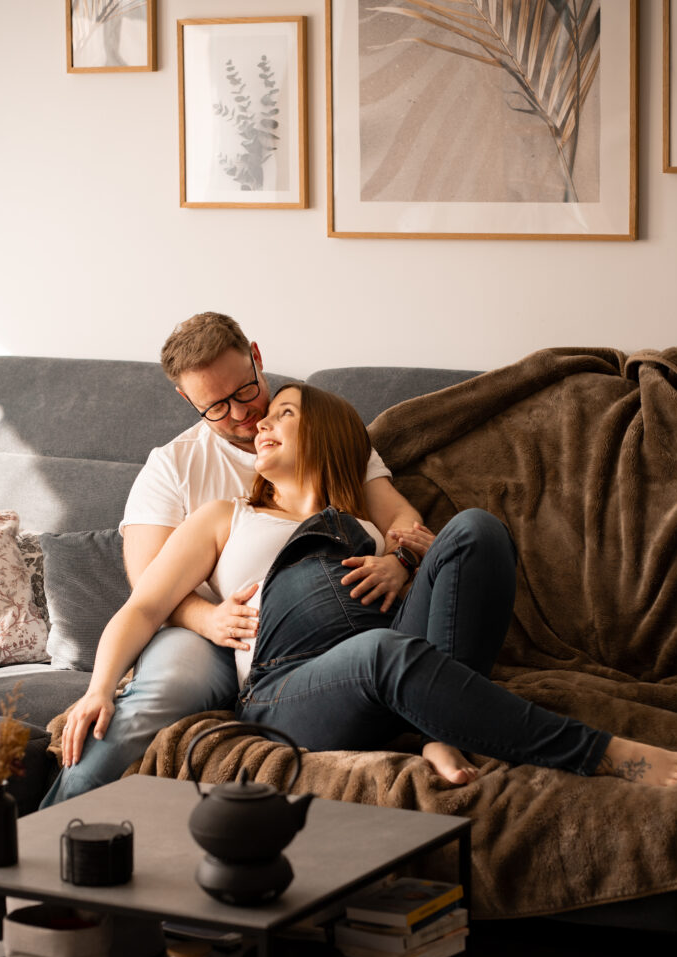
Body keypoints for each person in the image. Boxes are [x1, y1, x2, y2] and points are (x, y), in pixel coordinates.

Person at [43, 384, 677, 806]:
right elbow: (143, 607)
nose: (258, 426)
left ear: (325, 435)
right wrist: (101, 687)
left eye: (282, 414)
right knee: (383, 652)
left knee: (476, 530)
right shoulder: (224, 516)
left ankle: (427, 729)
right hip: (289, 689)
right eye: (260, 419)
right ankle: (601, 752)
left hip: (389, 658)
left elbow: (439, 557)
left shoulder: (365, 517)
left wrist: (398, 559)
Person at [55, 312, 427, 795]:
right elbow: (146, 586)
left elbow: (402, 521)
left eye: (245, 391)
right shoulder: (173, 466)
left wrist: (400, 563)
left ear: (256, 357)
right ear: (187, 400)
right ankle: (40, 838)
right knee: (155, 700)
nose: (241, 415)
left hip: (315, 629)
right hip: (206, 629)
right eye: (215, 406)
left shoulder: (319, 435)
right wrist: (208, 620)